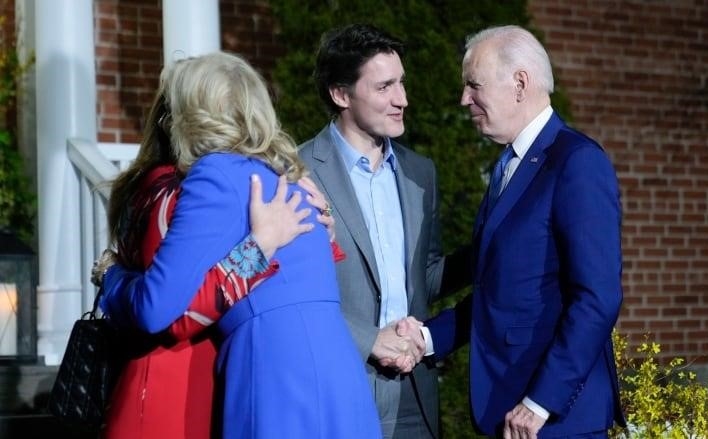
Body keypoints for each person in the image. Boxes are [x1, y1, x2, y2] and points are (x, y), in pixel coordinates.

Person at [99, 51, 381, 438]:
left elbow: (155, 310)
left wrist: (113, 279)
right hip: (339, 373)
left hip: (274, 367)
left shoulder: (215, 174)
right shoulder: (292, 179)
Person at [420, 25, 625, 438]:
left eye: (473, 85)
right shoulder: (508, 165)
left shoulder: (576, 162)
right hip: (509, 408)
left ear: (519, 83)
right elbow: (503, 292)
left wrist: (540, 402)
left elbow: (598, 298)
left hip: (554, 420)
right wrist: (425, 340)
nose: (464, 99)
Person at [296, 24, 470, 439]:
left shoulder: (420, 172)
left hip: (414, 391)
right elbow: (287, 293)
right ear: (341, 95)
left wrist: (491, 250)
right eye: (385, 87)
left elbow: (424, 277)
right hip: (337, 387)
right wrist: (367, 340)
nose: (402, 100)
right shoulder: (295, 171)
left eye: (402, 83)